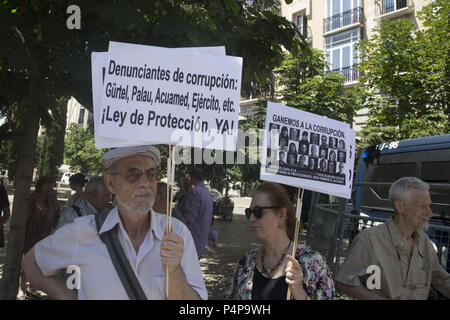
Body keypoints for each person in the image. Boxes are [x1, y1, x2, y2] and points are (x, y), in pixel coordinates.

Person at [22, 145, 207, 300]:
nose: (145, 183)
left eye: (151, 174)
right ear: (111, 184)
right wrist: (67, 296)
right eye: (133, 174)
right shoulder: (83, 231)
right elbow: (32, 262)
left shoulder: (176, 233)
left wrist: (174, 272)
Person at [335, 177, 450, 299]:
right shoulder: (370, 239)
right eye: (423, 206)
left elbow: (439, 278)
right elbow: (345, 281)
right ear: (399, 206)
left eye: (429, 206)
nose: (430, 213)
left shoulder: (423, 240)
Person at [224, 182, 335, 300]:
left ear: (281, 215)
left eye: (258, 212)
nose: (251, 218)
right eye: (249, 212)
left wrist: (299, 293)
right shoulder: (246, 263)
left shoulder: (314, 264)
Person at [21, 176, 60, 298]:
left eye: (51, 185)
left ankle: (31, 288)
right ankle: (21, 288)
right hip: (30, 236)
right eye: (47, 184)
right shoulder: (33, 198)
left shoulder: (51, 200)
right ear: (41, 185)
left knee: (38, 263)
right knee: (26, 262)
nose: (50, 187)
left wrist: (54, 201)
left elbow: (56, 217)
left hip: (44, 237)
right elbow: (26, 217)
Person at [178, 167, 213, 259]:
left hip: (191, 240)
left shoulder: (194, 191)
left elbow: (188, 218)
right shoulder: (206, 191)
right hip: (201, 238)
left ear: (190, 178)